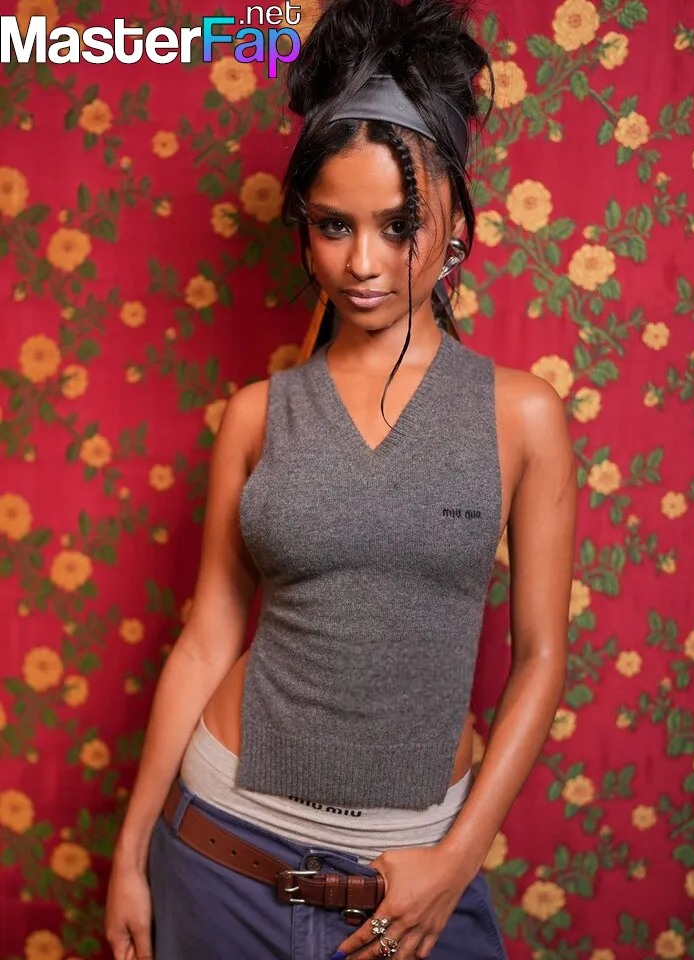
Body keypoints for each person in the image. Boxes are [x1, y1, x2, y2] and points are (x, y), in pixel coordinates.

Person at [104, 0, 577, 957]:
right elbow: (207, 640)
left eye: (399, 225)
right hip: (220, 856)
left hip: (413, 874)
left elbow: (539, 658)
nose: (363, 263)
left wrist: (456, 860)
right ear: (306, 230)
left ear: (455, 226)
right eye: (333, 225)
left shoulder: (521, 415)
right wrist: (129, 854)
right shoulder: (257, 414)